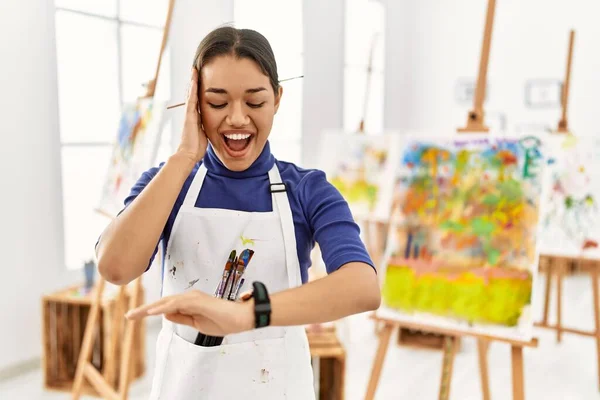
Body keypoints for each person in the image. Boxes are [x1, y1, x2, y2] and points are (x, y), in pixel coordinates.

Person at [96, 26, 380, 399]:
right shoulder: (168, 183)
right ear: (194, 103)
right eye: (217, 102)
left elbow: (364, 286)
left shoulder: (307, 190)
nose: (236, 119)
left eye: (254, 102)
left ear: (277, 99)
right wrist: (183, 157)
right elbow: (115, 267)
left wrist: (249, 314)